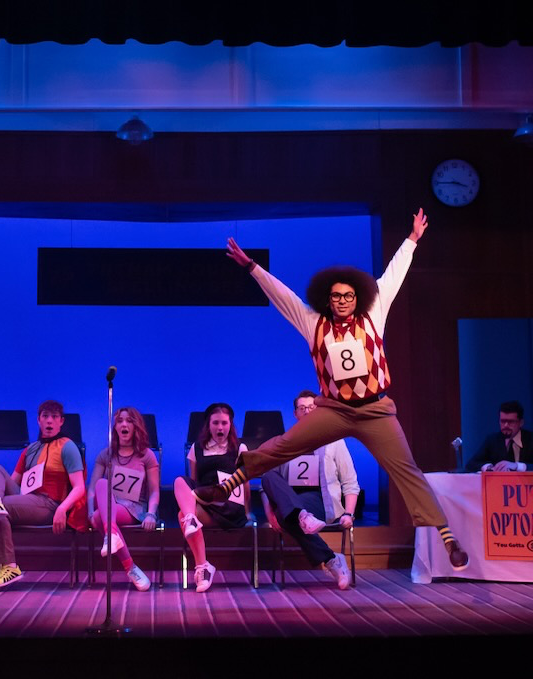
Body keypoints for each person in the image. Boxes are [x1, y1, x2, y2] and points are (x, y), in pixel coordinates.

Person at [197, 209, 469, 571]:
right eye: (336, 296)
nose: (342, 300)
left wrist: (412, 239)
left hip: (375, 410)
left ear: (358, 298)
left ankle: (447, 537)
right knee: (283, 445)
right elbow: (284, 296)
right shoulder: (314, 323)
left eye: (348, 295)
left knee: (405, 467)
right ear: (328, 299)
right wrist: (251, 268)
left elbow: (392, 276)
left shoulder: (375, 315)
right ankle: (230, 484)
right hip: (334, 410)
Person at [0, 400, 87, 590]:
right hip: (27, 499)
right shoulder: (31, 449)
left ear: (61, 421)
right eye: (45, 416)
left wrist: (62, 508)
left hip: (49, 504)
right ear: (38, 420)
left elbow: (80, 487)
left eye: (54, 417)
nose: (49, 421)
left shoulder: (67, 446)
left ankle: (9, 567)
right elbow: (12, 481)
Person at [260, 392, 359, 589]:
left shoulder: (334, 441)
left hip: (321, 502)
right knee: (267, 475)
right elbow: (267, 486)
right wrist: (269, 514)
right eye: (302, 408)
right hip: (291, 500)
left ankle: (327, 553)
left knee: (287, 516)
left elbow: (350, 482)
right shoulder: (285, 442)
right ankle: (331, 558)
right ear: (295, 413)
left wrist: (349, 513)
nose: (307, 412)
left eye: (312, 407)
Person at [174, 402, 251, 593]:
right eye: (216, 423)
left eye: (224, 423)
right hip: (206, 500)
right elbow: (193, 481)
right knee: (179, 483)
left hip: (230, 506)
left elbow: (246, 483)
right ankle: (203, 566)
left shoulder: (240, 448)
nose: (220, 427)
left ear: (230, 425)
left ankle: (203, 567)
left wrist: (249, 512)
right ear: (208, 425)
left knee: (181, 517)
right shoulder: (197, 448)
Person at [87, 406, 158, 592]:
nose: (124, 424)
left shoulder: (146, 455)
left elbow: (154, 491)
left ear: (136, 427)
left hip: (133, 508)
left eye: (129, 421)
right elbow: (93, 489)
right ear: (115, 427)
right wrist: (87, 511)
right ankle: (130, 566)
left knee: (98, 518)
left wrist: (151, 514)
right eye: (119, 421)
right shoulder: (106, 454)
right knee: (102, 486)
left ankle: (116, 545)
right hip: (109, 505)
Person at [464, 400, 533, 473]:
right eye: (502, 421)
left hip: (527, 490)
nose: (506, 425)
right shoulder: (492, 440)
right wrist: (489, 467)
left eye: (510, 422)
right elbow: (470, 465)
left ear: (521, 423)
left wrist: (517, 466)